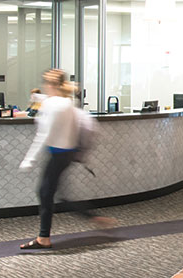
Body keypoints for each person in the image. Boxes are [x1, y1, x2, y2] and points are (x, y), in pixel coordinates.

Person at [18, 69, 116, 249]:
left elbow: (43, 134)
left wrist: (29, 159)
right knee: (57, 194)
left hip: (57, 154)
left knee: (45, 193)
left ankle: (43, 238)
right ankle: (91, 216)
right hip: (66, 154)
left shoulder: (53, 105)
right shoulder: (66, 103)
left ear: (50, 85)